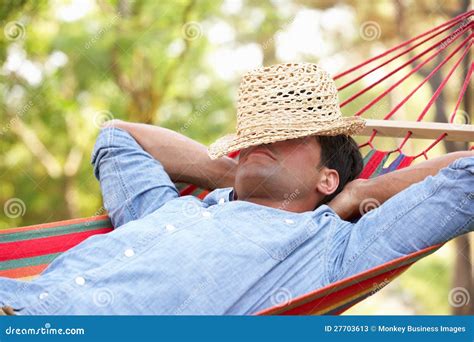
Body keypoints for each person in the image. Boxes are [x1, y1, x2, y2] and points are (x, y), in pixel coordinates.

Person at [1, 63, 473, 315]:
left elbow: (467, 177)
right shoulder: (165, 211)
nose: (262, 140)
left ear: (327, 178)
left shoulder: (333, 251)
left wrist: (360, 191)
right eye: (256, 135)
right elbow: (118, 136)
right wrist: (233, 175)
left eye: (287, 133)